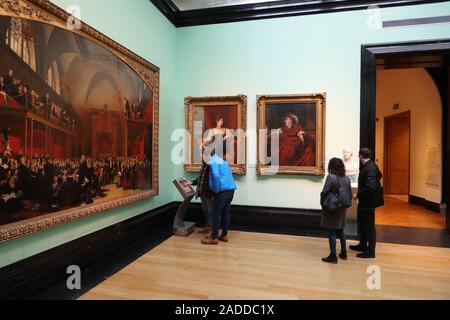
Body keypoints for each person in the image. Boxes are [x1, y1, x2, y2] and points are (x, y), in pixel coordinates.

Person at [350, 148, 384, 259]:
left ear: (360, 156)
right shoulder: (371, 166)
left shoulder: (369, 167)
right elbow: (380, 175)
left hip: (368, 202)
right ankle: (363, 245)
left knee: (369, 226)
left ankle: (371, 251)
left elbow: (370, 186)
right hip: (365, 201)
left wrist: (357, 195)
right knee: (363, 224)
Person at [320, 158, 352, 264]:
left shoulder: (331, 177)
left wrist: (322, 203)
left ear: (331, 166)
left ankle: (333, 256)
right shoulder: (347, 178)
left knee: (332, 231)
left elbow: (324, 191)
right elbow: (349, 194)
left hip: (332, 207)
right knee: (341, 230)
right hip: (342, 207)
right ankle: (344, 253)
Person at [201, 151, 237, 245]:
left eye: (203, 156)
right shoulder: (221, 161)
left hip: (222, 192)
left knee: (215, 214)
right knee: (225, 213)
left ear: (207, 155)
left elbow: (216, 176)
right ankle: (224, 235)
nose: (203, 159)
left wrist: (216, 191)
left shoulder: (213, 162)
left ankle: (214, 237)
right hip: (230, 190)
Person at [190, 147, 214, 234]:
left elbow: (215, 179)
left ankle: (212, 229)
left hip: (209, 192)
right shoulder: (204, 165)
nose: (201, 156)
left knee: (211, 210)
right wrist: (193, 182)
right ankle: (207, 226)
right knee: (205, 209)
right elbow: (201, 177)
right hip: (202, 191)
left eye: (203, 154)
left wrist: (213, 193)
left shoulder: (212, 165)